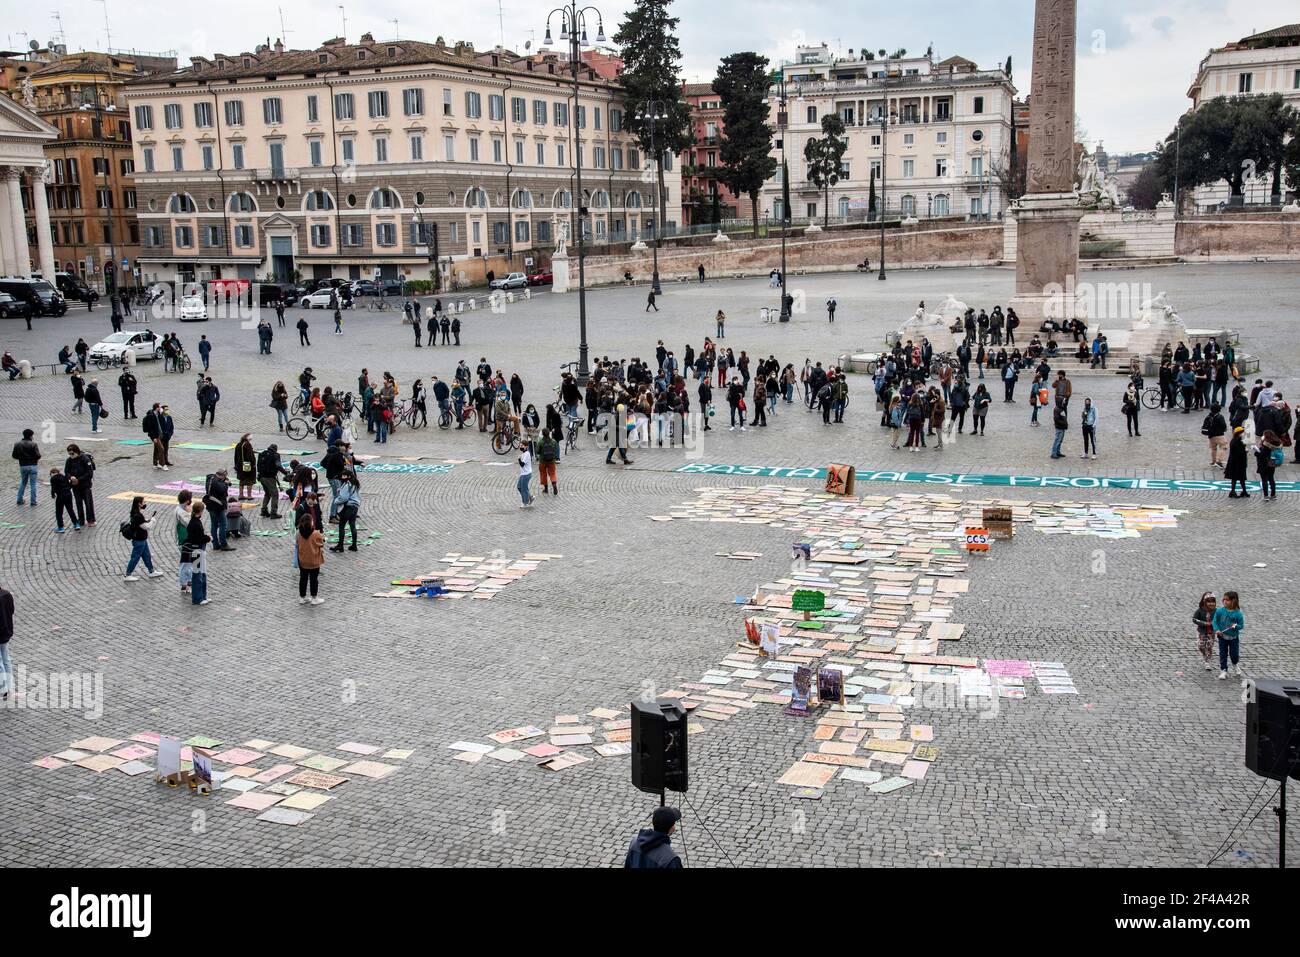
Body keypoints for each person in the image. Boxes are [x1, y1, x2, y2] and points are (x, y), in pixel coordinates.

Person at [123, 496, 164, 582]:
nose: (145, 504)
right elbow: (146, 527)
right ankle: (128, 574)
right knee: (135, 557)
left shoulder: (135, 513)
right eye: (143, 502)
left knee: (147, 556)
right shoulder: (138, 515)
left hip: (142, 540)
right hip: (139, 541)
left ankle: (151, 571)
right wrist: (152, 520)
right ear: (139, 504)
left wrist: (147, 520)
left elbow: (142, 523)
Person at [183, 502, 211, 605]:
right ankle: (197, 598)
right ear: (200, 511)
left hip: (198, 550)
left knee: (202, 573)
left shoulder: (194, 522)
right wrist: (208, 538)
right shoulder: (195, 523)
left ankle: (202, 596)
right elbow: (197, 538)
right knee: (197, 574)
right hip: (197, 551)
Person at [1212, 591, 1244, 680]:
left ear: (1233, 601)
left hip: (1233, 638)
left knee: (1234, 654)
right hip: (1222, 637)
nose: (1225, 601)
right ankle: (1223, 670)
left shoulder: (1238, 614)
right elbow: (1215, 621)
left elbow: (1241, 625)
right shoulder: (1219, 611)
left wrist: (1236, 626)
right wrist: (1217, 630)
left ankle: (1235, 664)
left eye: (1227, 600)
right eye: (1224, 599)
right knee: (1223, 654)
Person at [295, 515, 326, 605]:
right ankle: (314, 598)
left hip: (303, 559)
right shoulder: (316, 533)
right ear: (310, 522)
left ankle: (302, 597)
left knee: (303, 578)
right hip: (313, 560)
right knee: (314, 579)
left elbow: (296, 543)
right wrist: (323, 537)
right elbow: (321, 543)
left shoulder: (298, 533)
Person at [64, 444, 96, 528]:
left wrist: (79, 479)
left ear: (76, 452)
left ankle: (91, 520)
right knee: (78, 503)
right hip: (75, 486)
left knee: (88, 503)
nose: (71, 456)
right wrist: (71, 477)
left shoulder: (85, 459)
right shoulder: (69, 461)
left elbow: (89, 473)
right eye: (69, 454)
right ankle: (81, 520)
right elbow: (66, 471)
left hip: (85, 485)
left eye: (72, 453)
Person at [330, 469, 361, 552]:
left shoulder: (347, 484)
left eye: (344, 476)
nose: (342, 477)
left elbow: (344, 498)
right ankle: (354, 545)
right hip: (355, 507)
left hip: (348, 507)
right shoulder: (355, 483)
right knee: (352, 525)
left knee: (341, 526)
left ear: (348, 476)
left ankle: (340, 546)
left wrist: (336, 501)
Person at [204, 469, 235, 550]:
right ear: (222, 475)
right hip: (217, 506)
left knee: (214, 525)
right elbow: (222, 490)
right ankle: (224, 544)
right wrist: (226, 484)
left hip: (210, 505)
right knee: (223, 525)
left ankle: (215, 544)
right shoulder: (216, 482)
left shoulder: (210, 479)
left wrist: (223, 482)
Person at [12, 428, 40, 507]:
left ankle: (19, 499)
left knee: (23, 482)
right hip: (33, 466)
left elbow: (14, 456)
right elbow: (38, 455)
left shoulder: (17, 444)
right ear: (31, 436)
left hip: (23, 466)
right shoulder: (33, 444)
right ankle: (33, 502)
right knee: (33, 484)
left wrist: (21, 458)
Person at [1192, 593, 1218, 672]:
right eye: (1209, 601)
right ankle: (1204, 655)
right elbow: (1194, 619)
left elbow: (1219, 619)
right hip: (1202, 632)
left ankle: (1208, 661)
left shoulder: (1216, 611)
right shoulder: (1200, 610)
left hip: (1211, 632)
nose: (1211, 603)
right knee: (1201, 646)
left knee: (1209, 646)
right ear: (1204, 602)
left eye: (1213, 601)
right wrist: (1204, 623)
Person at [1255, 430, 1282, 501]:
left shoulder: (1267, 444)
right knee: (1271, 479)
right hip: (1272, 463)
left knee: (1264, 480)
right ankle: (1273, 495)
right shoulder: (1276, 443)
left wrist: (1256, 453)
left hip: (1264, 464)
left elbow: (1262, 455)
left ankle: (1266, 496)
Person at [1225, 427, 1249, 498]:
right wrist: (1245, 451)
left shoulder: (1236, 440)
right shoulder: (1236, 441)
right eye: (1242, 432)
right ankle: (1233, 491)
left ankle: (1243, 491)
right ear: (1239, 433)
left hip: (1237, 462)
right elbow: (1238, 452)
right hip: (1236, 463)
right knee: (1235, 477)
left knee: (1241, 478)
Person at [1202, 403, 1227, 467]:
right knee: (1224, 447)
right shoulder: (1220, 417)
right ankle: (1219, 461)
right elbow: (1223, 425)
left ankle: (1213, 461)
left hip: (1211, 436)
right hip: (1219, 435)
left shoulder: (1208, 417)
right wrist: (1224, 429)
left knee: (1213, 448)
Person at [537, 427, 560, 495]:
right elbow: (556, 450)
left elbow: (537, 451)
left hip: (543, 461)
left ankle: (546, 488)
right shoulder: (553, 441)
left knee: (543, 474)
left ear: (543, 434)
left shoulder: (541, 442)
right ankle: (554, 484)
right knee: (552, 473)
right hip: (551, 461)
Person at [234, 434, 257, 500]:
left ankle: (241, 495)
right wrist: (253, 464)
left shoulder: (239, 444)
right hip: (247, 466)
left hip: (239, 466)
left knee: (241, 480)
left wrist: (236, 466)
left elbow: (236, 456)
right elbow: (250, 456)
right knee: (249, 481)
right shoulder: (247, 445)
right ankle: (249, 495)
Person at [0, 584, 13, 701]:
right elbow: (11, 612)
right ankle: (9, 688)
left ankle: (3, 690)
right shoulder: (7, 595)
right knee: (6, 660)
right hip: (6, 633)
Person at [516, 439, 534, 508]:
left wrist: (519, 459)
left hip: (526, 474)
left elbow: (522, 464)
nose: (521, 447)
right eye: (520, 445)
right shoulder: (523, 453)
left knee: (523, 488)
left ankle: (525, 503)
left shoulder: (527, 454)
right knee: (519, 487)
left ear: (526, 446)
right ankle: (530, 497)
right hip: (523, 473)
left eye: (522, 445)